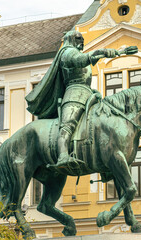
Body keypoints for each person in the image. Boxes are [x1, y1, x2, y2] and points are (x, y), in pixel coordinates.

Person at [25, 30, 119, 171]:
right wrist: (103, 51)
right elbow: (80, 60)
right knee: (68, 125)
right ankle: (63, 155)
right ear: (70, 39)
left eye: (82, 38)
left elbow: (90, 59)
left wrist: (115, 53)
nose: (81, 40)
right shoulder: (67, 52)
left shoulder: (77, 53)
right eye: (78, 38)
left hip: (88, 93)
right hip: (74, 94)